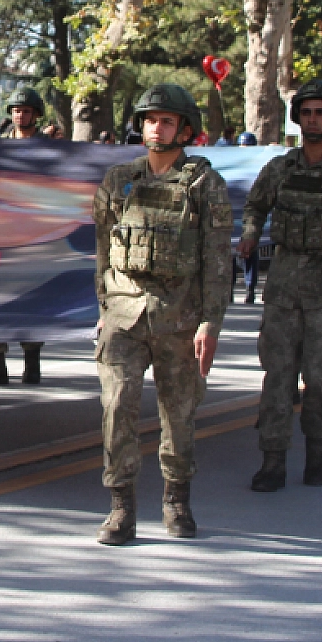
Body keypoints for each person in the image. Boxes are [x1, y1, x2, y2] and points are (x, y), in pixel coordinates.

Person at [92, 84, 231, 545]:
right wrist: (103, 309)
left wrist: (211, 321)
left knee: (179, 414)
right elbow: (103, 253)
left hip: (179, 319)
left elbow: (217, 260)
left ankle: (177, 499)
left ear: (185, 128)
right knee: (117, 411)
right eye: (150, 119)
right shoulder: (118, 181)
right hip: (124, 316)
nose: (157, 127)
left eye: (167, 120)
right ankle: (121, 508)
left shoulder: (203, 185)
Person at [238, 80, 322, 491]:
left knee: (319, 377)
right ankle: (273, 460)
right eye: (307, 112)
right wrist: (249, 232)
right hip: (282, 285)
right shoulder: (280, 168)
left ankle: (318, 449)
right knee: (277, 375)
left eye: (321, 112)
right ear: (298, 118)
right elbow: (256, 204)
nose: (313, 119)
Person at [0, 85, 49, 387]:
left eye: (26, 111)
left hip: (35, 230)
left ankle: (32, 361)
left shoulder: (48, 149)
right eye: (17, 111)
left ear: (36, 115)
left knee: (32, 296)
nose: (20, 115)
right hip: (1, 230)